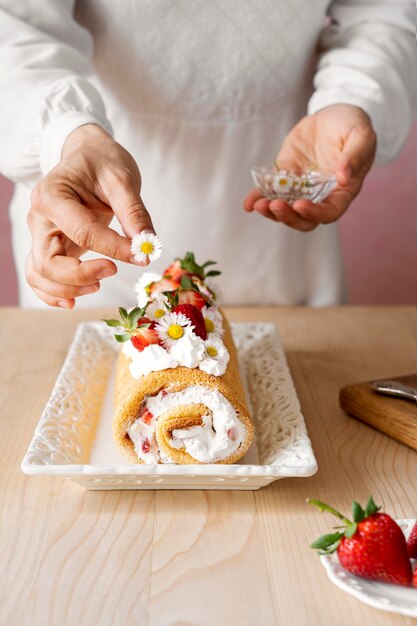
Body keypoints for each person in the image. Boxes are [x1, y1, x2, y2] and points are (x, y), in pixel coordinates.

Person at [0, 1, 414, 308]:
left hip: (287, 216)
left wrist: (354, 96)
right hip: (92, 198)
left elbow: (381, 14)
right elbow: (16, 25)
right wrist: (68, 134)